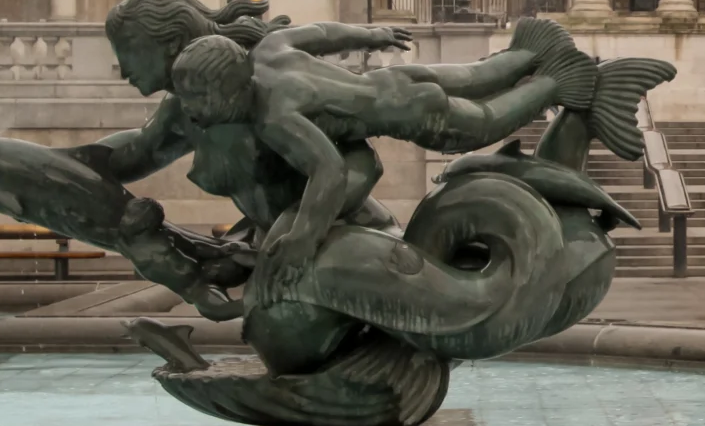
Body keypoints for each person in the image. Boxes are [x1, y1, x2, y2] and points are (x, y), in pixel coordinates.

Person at [171, 17, 671, 300]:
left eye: (200, 105)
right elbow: (322, 35)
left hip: (411, 116)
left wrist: (301, 237)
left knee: (487, 119)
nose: (195, 115)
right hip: (397, 81)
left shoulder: (276, 118)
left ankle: (557, 82)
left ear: (230, 90)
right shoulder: (269, 52)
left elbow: (328, 170)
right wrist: (375, 35)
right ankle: (529, 54)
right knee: (480, 76)